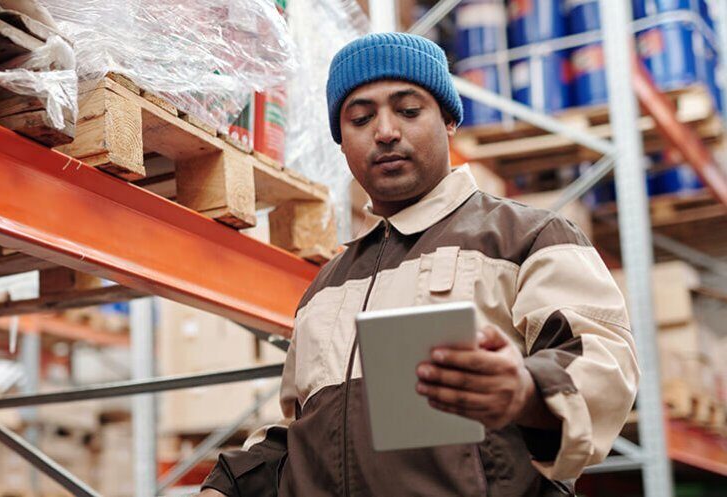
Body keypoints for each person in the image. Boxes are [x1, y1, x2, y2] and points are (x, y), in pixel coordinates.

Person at [198, 32, 639, 497]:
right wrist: (228, 486)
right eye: (361, 118)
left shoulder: (527, 237)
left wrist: (527, 390)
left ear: (448, 120)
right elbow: (304, 432)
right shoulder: (326, 286)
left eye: (408, 110)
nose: (385, 131)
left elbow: (604, 366)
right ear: (342, 141)